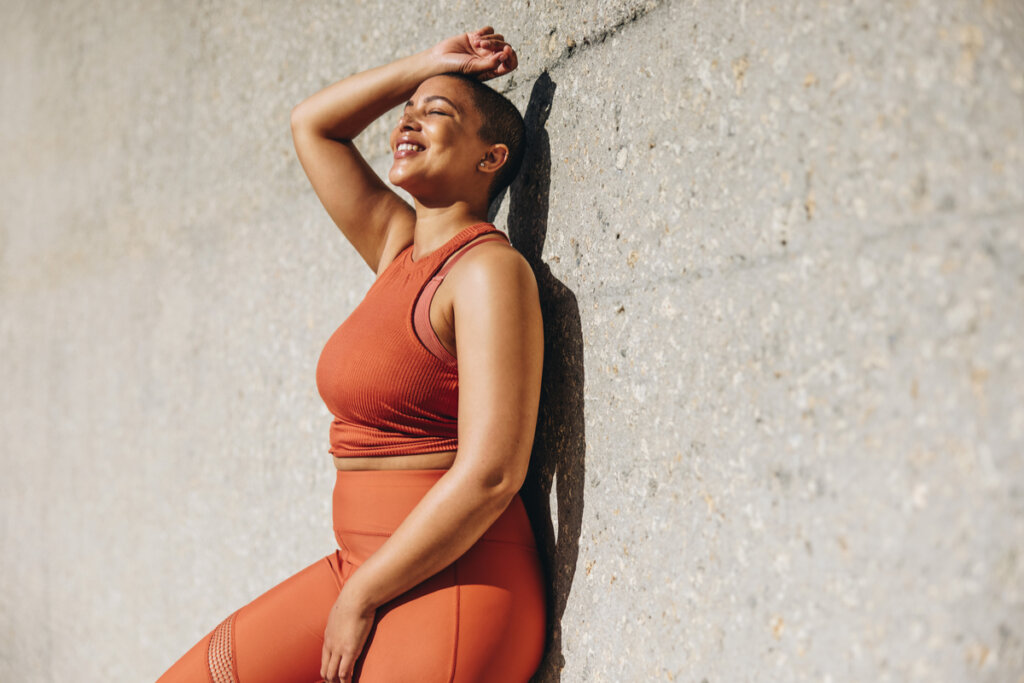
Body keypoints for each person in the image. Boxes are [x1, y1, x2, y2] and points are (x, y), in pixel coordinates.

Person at [155, 26, 547, 683]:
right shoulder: (397, 246)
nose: (409, 121)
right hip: (359, 561)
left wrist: (361, 597)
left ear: (491, 158)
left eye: (439, 112)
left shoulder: (486, 272)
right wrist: (431, 64)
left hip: (460, 579)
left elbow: (492, 475)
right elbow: (313, 125)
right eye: (407, 112)